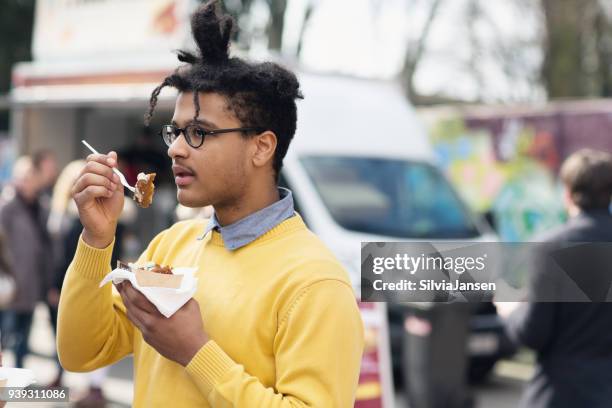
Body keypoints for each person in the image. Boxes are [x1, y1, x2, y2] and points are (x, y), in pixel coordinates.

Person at [57, 2, 364, 407]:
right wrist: (97, 239)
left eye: (200, 133)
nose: (177, 150)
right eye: (177, 132)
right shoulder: (171, 247)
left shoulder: (315, 282)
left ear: (261, 147)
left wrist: (195, 352)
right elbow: (82, 353)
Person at [496, 148, 612, 408]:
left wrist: (510, 309)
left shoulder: (550, 248)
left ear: (568, 194)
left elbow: (533, 334)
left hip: (561, 395)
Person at [0, 157, 53, 368]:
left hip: (32, 282)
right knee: (5, 335)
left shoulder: (40, 206)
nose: (27, 181)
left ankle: (17, 381)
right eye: (23, 177)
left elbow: (46, 246)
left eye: (31, 177)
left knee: (23, 337)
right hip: (10, 284)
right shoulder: (7, 206)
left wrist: (48, 280)